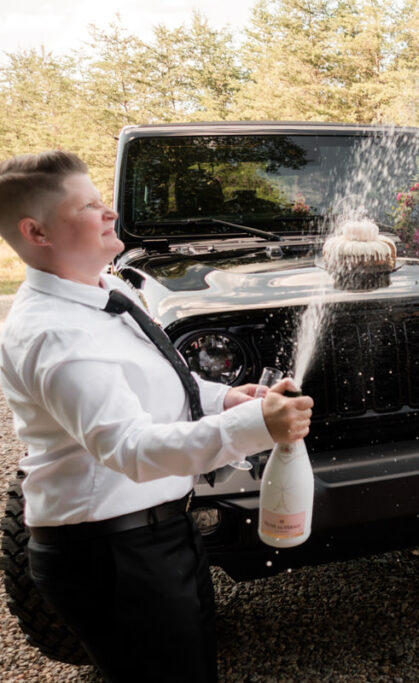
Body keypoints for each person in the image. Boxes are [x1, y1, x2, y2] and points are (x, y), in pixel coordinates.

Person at [0, 150, 314, 682]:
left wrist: (223, 400)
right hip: (111, 555)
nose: (110, 214)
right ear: (38, 232)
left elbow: (161, 379)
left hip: (156, 534)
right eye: (89, 207)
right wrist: (259, 427)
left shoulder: (108, 290)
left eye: (102, 201)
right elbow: (130, 450)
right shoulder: (56, 334)